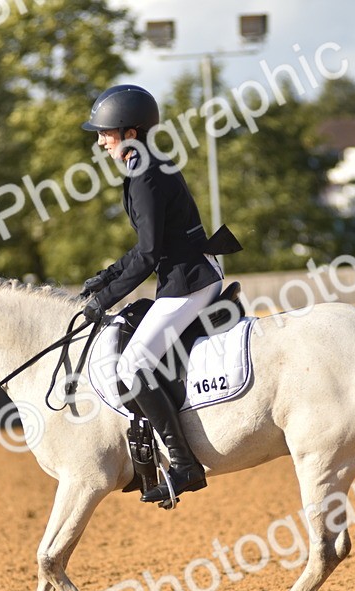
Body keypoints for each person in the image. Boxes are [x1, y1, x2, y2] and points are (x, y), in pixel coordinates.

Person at [77, 84, 240, 504]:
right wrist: (105, 277)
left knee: (131, 366)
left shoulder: (145, 174)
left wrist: (104, 299)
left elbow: (149, 254)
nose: (100, 141)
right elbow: (146, 246)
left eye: (105, 133)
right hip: (184, 276)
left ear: (130, 133)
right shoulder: (144, 167)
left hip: (188, 281)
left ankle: (186, 466)